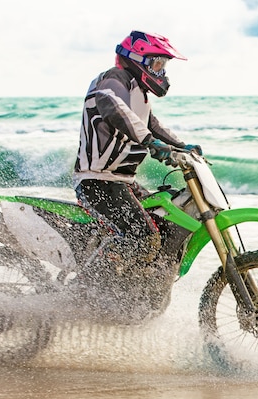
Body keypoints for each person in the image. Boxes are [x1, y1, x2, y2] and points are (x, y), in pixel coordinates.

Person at [73, 30, 201, 265]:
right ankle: (87, 291)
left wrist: (183, 147)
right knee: (143, 237)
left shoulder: (138, 94)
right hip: (97, 182)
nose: (161, 72)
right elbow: (111, 105)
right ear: (138, 59)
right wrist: (150, 143)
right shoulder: (113, 79)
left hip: (122, 182)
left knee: (165, 222)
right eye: (158, 64)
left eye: (163, 66)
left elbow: (154, 126)